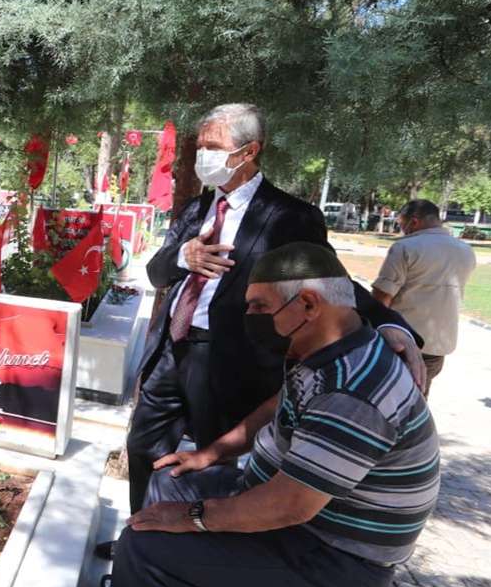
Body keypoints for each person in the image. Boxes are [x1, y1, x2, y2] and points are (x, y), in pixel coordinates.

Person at [68, 242, 439, 587]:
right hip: (306, 521)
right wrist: (209, 453)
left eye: (260, 306)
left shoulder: (352, 389)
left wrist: (195, 519)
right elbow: (279, 406)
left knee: (146, 542)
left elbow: (289, 505)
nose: (251, 317)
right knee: (171, 478)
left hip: (333, 554)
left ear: (307, 304)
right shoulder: (331, 343)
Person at [118, 103, 424, 519]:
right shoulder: (195, 210)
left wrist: (391, 324)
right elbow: (156, 274)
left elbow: (331, 279)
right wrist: (182, 257)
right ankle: (141, 527)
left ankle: (205, 547)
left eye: (213, 146)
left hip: (226, 359)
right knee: (143, 447)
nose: (202, 155)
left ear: (248, 152)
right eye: (200, 146)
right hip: (170, 349)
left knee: (214, 458)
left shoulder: (286, 216)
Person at [371, 199, 477, 392]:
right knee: (418, 398)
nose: (401, 228)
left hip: (401, 343)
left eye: (401, 223)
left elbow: (381, 298)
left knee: (389, 400)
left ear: (414, 221)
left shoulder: (405, 247)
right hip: (438, 346)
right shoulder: (466, 250)